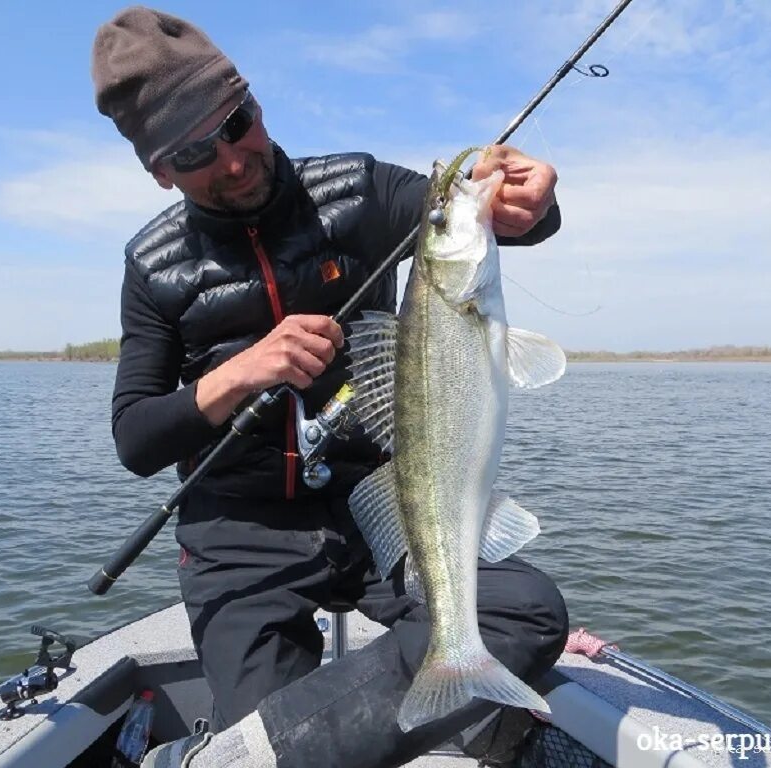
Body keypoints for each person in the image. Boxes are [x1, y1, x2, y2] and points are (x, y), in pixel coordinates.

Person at [92, 7, 569, 767]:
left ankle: (306, 734)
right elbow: (136, 438)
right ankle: (277, 742)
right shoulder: (152, 265)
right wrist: (242, 370)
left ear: (255, 101)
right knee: (269, 721)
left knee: (528, 613)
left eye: (236, 121)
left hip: (372, 502)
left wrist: (523, 203)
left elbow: (471, 216)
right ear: (158, 169)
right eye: (193, 151)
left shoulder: (359, 188)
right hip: (237, 536)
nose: (234, 157)